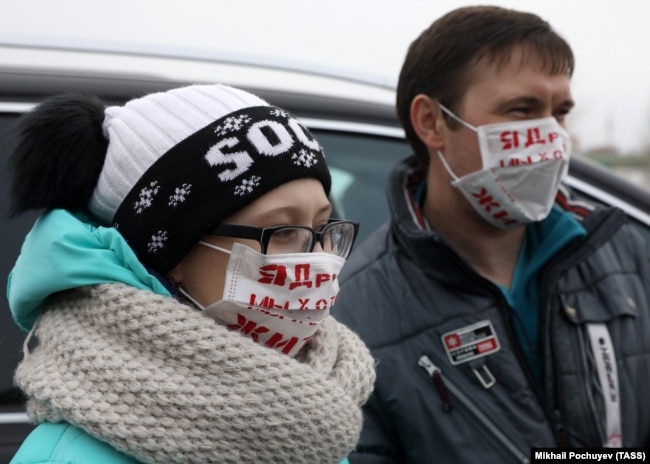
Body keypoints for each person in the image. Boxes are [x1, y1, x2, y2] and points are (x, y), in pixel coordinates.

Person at [331, 5, 650, 463]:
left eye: (559, 113)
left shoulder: (619, 251)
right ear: (432, 122)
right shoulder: (354, 313)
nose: (551, 136)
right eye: (522, 110)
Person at [6, 83, 376, 464]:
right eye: (282, 232)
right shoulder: (71, 457)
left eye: (323, 224)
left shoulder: (310, 422)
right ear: (174, 255)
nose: (319, 258)